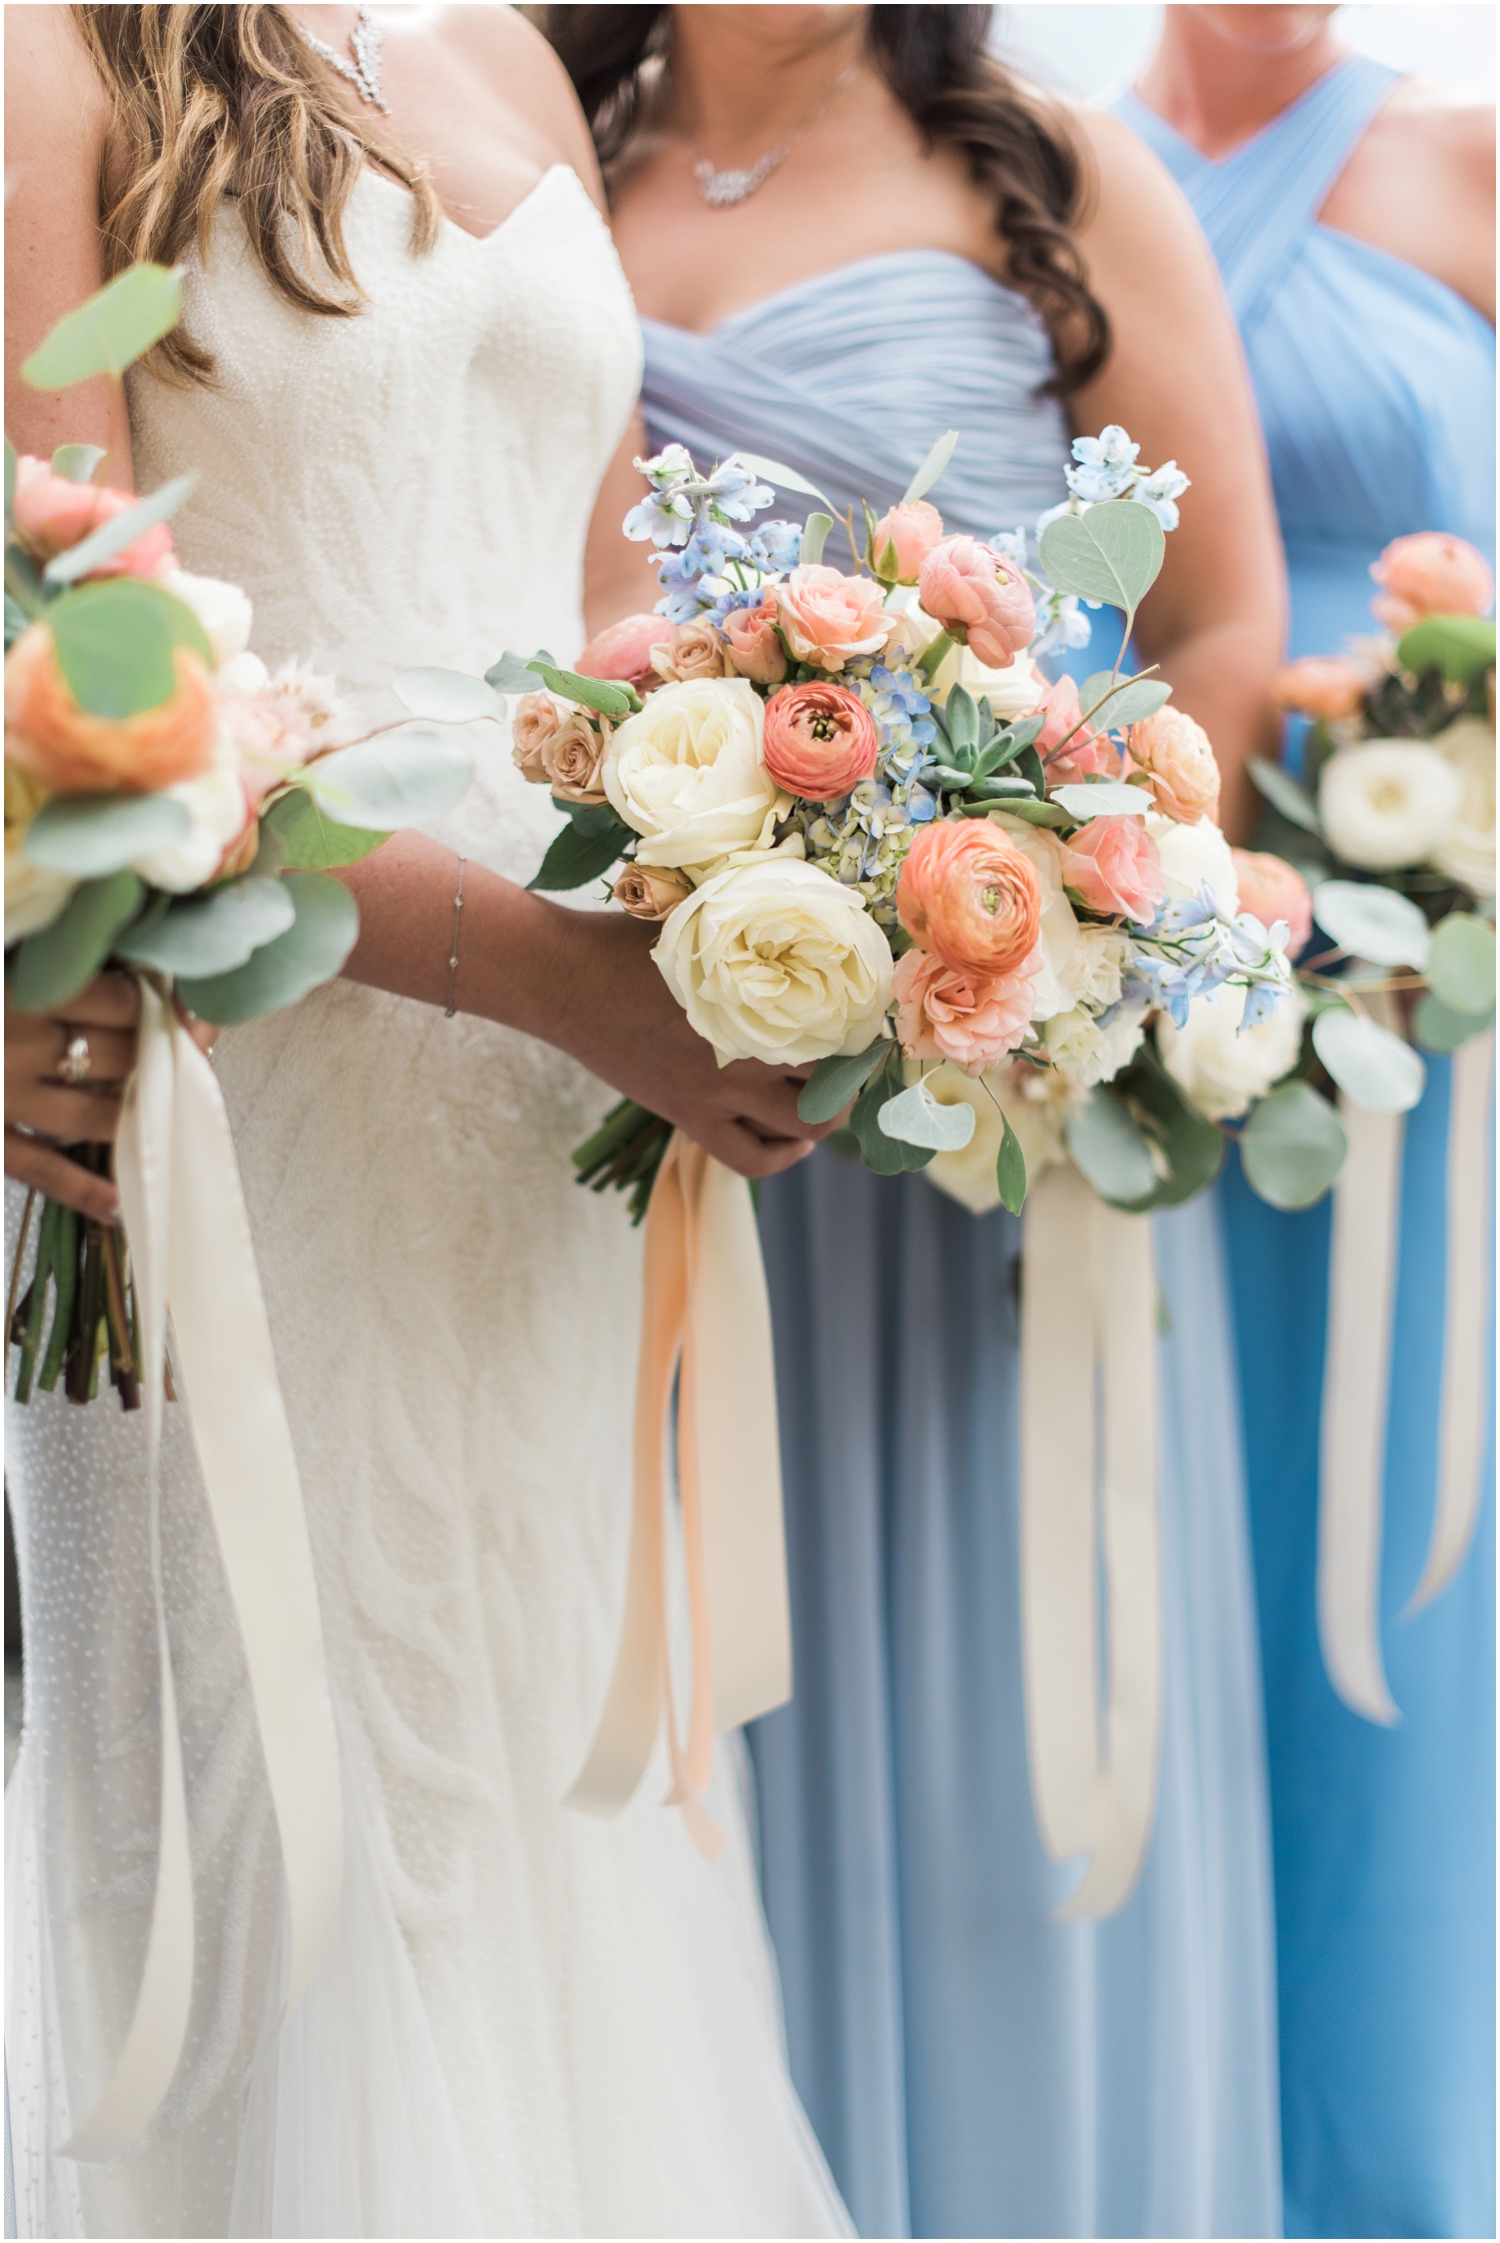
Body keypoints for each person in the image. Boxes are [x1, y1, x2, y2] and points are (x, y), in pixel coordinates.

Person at [3, 7, 850, 2234]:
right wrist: (564, 977)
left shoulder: (506, 46)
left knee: (546, 1780)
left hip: (549, 1127)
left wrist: (765, 865)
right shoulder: (54, 55)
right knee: (315, 1803)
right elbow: (74, 665)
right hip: (254, 1079)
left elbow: (592, 598)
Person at [551, 6, 1287, 2234]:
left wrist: (1050, 955)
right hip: (641, 1136)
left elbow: (1227, 616)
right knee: (681, 1840)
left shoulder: (1045, 173)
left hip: (976, 1146)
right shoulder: (530, 159)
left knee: (992, 1798)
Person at [1118, 11, 1495, 2236]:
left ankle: (1385, 2185)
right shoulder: (1056, 186)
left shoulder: (1460, 166)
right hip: (1142, 975)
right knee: (1132, 1548)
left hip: (1416, 1003)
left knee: (1373, 1587)